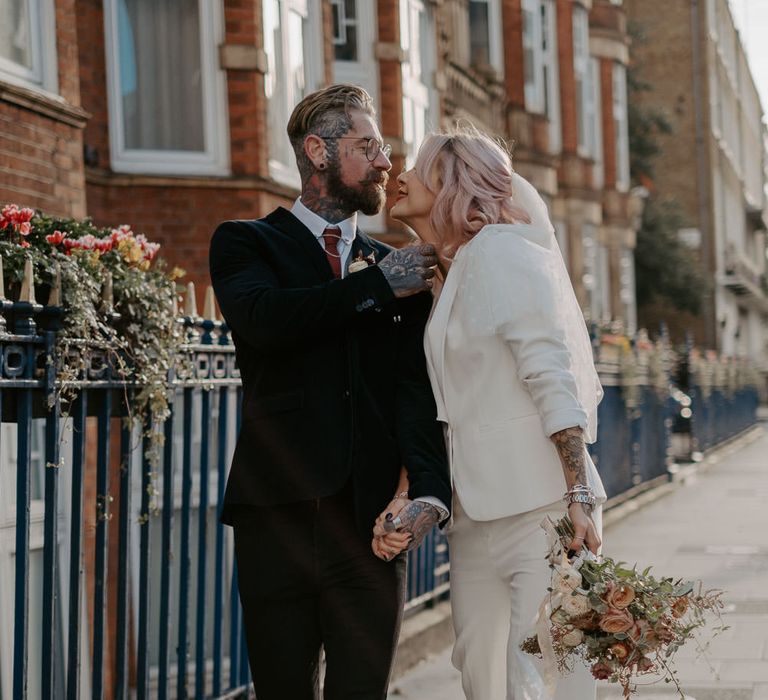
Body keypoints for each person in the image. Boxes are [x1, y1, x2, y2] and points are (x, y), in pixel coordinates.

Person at [209, 84, 452, 700]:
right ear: (318, 152)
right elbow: (265, 324)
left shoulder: (393, 263)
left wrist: (426, 491)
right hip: (277, 520)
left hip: (371, 529)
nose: (385, 162)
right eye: (368, 145)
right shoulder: (246, 243)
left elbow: (413, 391)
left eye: (384, 148)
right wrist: (374, 289)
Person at [373, 127, 607, 699]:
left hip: (540, 507)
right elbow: (440, 406)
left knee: (553, 673)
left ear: (451, 182)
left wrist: (577, 494)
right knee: (480, 674)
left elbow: (549, 371)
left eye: (418, 167)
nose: (397, 176)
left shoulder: (502, 251)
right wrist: (409, 491)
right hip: (473, 515)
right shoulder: (443, 278)